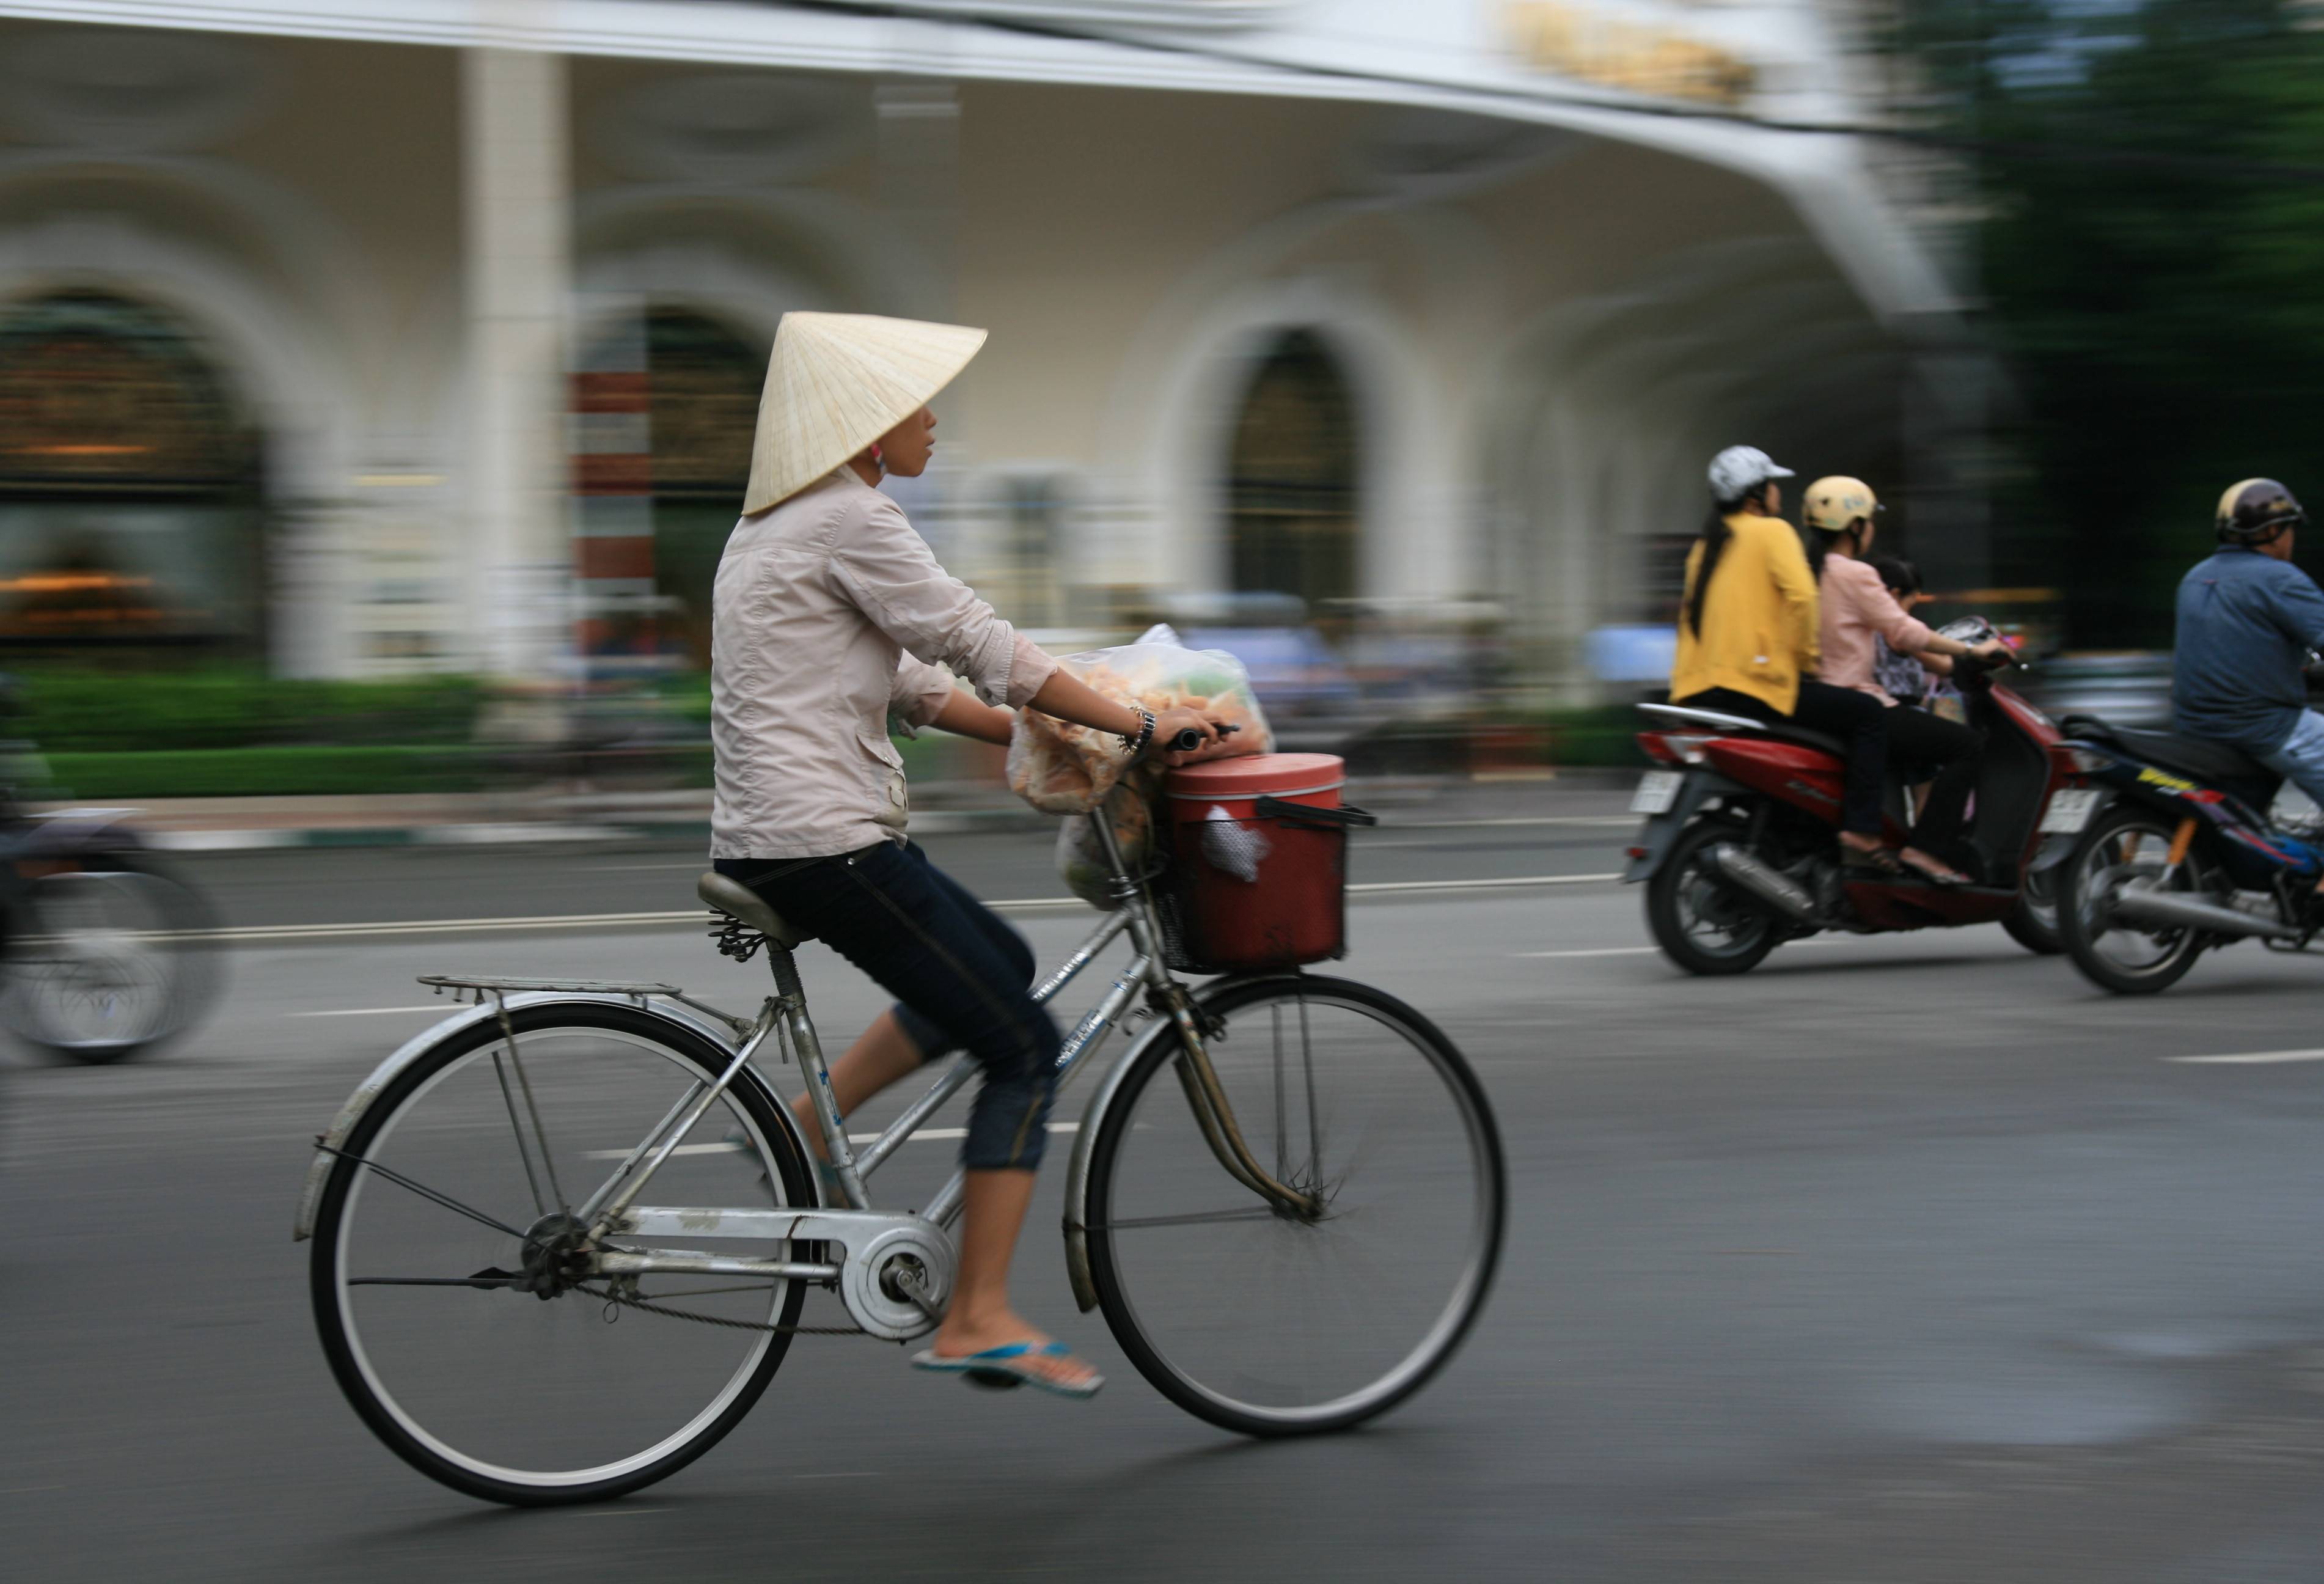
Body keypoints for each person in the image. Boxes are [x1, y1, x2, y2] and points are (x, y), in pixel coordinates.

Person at [708, 312, 1222, 1399]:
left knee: (996, 963)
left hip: (783, 839)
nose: (932, 421)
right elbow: (980, 643)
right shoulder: (850, 518)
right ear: (864, 424)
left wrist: (1059, 733)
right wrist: (1133, 729)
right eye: (916, 404)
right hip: (825, 845)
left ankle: (803, 1125)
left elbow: (914, 686)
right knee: (1026, 1044)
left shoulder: (771, 529)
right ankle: (976, 1314)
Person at [1668, 446, 1896, 870]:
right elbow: (1802, 597)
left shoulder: (1705, 547)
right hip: (1750, 687)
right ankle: (1862, 830)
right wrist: (1804, 661)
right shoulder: (1771, 532)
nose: (1777, 493)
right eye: (1772, 485)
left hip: (1695, 689)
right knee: (1867, 714)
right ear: (1756, 495)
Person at [1802, 477, 2013, 884]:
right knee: (1966, 745)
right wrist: (1972, 652)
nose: (1871, 530)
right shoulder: (1855, 573)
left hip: (1813, 699)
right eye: (1869, 522)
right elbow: (1903, 631)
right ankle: (1927, 849)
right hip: (1856, 698)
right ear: (1854, 525)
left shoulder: (1806, 571)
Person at [2174, 478, 2324, 816]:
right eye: (2289, 528)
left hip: (2195, 727)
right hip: (2264, 727)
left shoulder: (2194, 578)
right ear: (2274, 531)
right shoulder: (2279, 578)